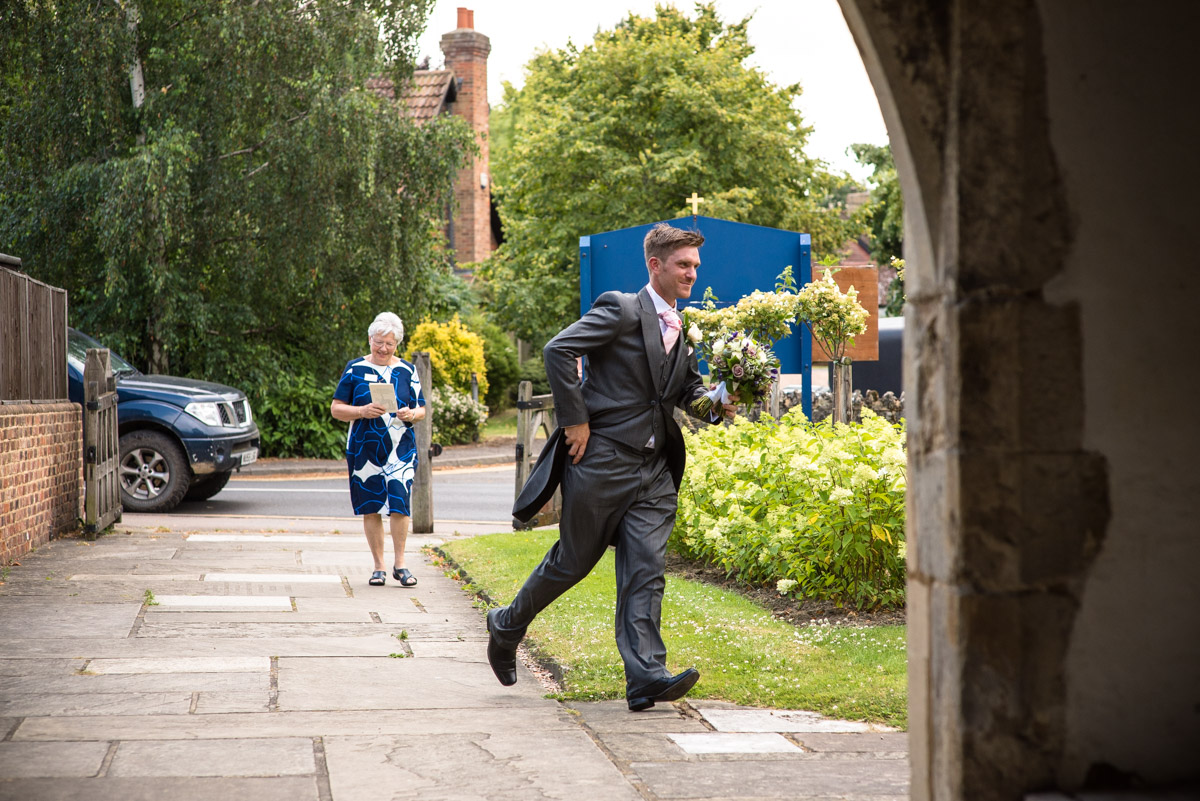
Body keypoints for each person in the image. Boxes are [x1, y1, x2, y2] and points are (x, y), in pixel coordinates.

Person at [489, 223, 738, 711]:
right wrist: (575, 422)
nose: (692, 273)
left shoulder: (683, 326)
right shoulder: (621, 308)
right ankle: (507, 623)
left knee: (646, 569)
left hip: (656, 469)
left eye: (695, 266)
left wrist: (717, 402)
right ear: (655, 266)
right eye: (683, 265)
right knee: (573, 563)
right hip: (602, 462)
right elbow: (558, 350)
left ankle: (646, 675)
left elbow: (684, 391)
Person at [330, 312, 426, 587]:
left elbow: (422, 408)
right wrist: (361, 410)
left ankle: (401, 564)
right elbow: (336, 408)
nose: (383, 348)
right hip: (364, 448)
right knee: (371, 506)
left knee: (400, 504)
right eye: (378, 342)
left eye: (390, 343)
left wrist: (411, 414)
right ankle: (379, 567)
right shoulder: (354, 369)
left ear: (398, 344)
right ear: (370, 339)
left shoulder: (407, 370)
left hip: (401, 449)